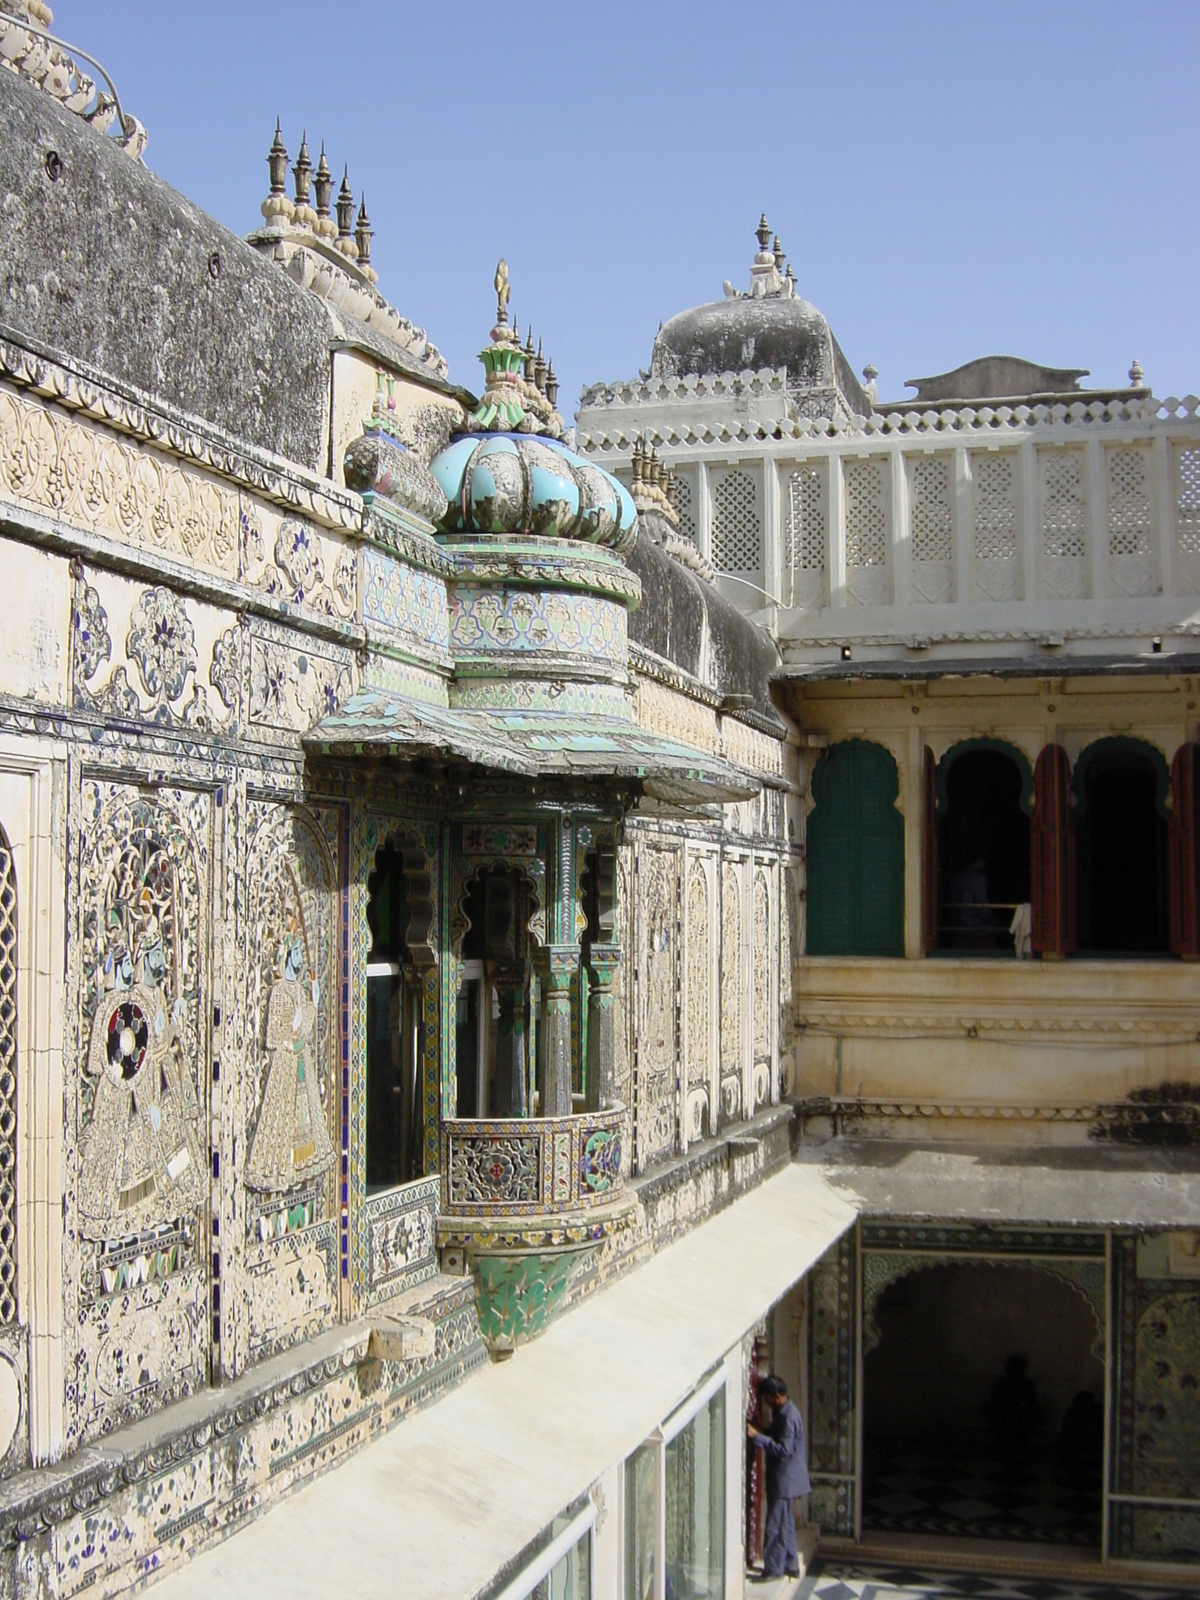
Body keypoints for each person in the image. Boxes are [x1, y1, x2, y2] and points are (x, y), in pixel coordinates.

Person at [747, 1376, 811, 1581]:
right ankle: (791, 1563)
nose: (766, 1403)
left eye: (767, 1399)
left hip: (785, 1480)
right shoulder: (781, 1413)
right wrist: (762, 1431)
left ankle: (774, 1568)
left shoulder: (789, 1418)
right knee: (786, 1522)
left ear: (777, 1396)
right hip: (783, 1478)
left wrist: (757, 1437)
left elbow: (783, 1449)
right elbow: (776, 1437)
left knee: (776, 1524)